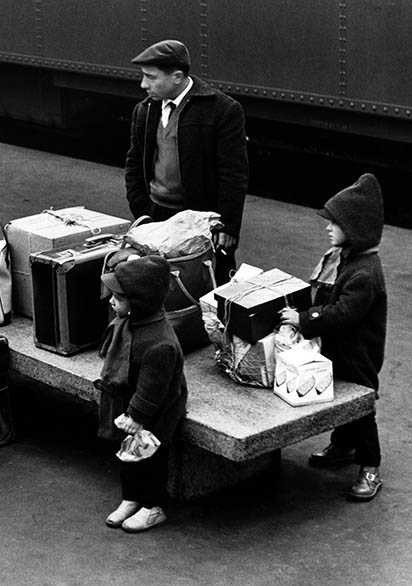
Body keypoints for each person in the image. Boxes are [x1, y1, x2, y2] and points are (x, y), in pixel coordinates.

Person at [280, 173, 387, 501]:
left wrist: (303, 319)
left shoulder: (364, 273)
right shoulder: (345, 260)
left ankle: (370, 464)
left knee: (360, 404)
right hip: (342, 349)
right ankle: (344, 444)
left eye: (335, 223)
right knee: (342, 398)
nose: (328, 227)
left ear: (354, 229)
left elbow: (343, 312)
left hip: (359, 355)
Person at [124, 39, 249, 286]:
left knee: (207, 284)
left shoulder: (222, 110)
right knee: (161, 286)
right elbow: (134, 161)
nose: (143, 84)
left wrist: (229, 226)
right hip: (156, 215)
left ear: (177, 77)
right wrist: (142, 208)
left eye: (151, 77)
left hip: (200, 220)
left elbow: (234, 174)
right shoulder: (145, 110)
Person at [94, 255, 188, 533]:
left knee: (149, 457)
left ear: (138, 303)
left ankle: (153, 506)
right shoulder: (133, 323)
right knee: (127, 455)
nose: (112, 301)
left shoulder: (159, 343)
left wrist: (137, 415)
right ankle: (131, 498)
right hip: (132, 401)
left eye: (118, 298)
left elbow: (154, 388)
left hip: (157, 411)